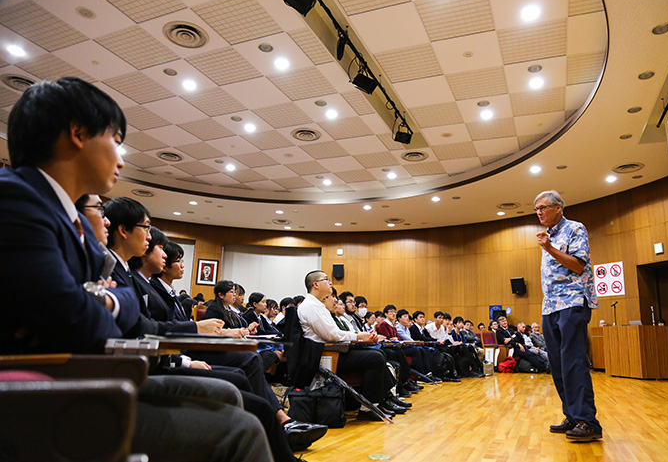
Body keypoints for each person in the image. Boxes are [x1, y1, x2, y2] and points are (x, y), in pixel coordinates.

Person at [0, 77, 274, 461]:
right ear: (77, 133)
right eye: (115, 140)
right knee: (239, 430)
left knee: (228, 393)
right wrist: (108, 303)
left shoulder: (62, 216)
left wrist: (106, 301)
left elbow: (116, 307)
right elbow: (73, 319)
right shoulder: (15, 198)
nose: (122, 158)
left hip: (91, 373)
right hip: (45, 392)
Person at [535, 189, 601, 441]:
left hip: (572, 302)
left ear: (559, 207)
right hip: (550, 306)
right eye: (536, 209)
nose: (539, 212)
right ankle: (572, 416)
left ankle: (588, 422)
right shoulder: (548, 235)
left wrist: (549, 247)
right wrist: (548, 244)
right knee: (558, 365)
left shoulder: (575, 229)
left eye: (543, 207)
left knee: (574, 362)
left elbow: (577, 265)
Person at [298, 271, 396, 421]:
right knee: (375, 357)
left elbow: (334, 333)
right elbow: (331, 334)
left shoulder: (318, 305)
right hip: (326, 357)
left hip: (336, 351)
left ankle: (378, 402)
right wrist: (358, 336)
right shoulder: (310, 306)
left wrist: (362, 338)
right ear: (315, 285)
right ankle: (367, 408)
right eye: (326, 280)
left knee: (380, 354)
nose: (330, 283)